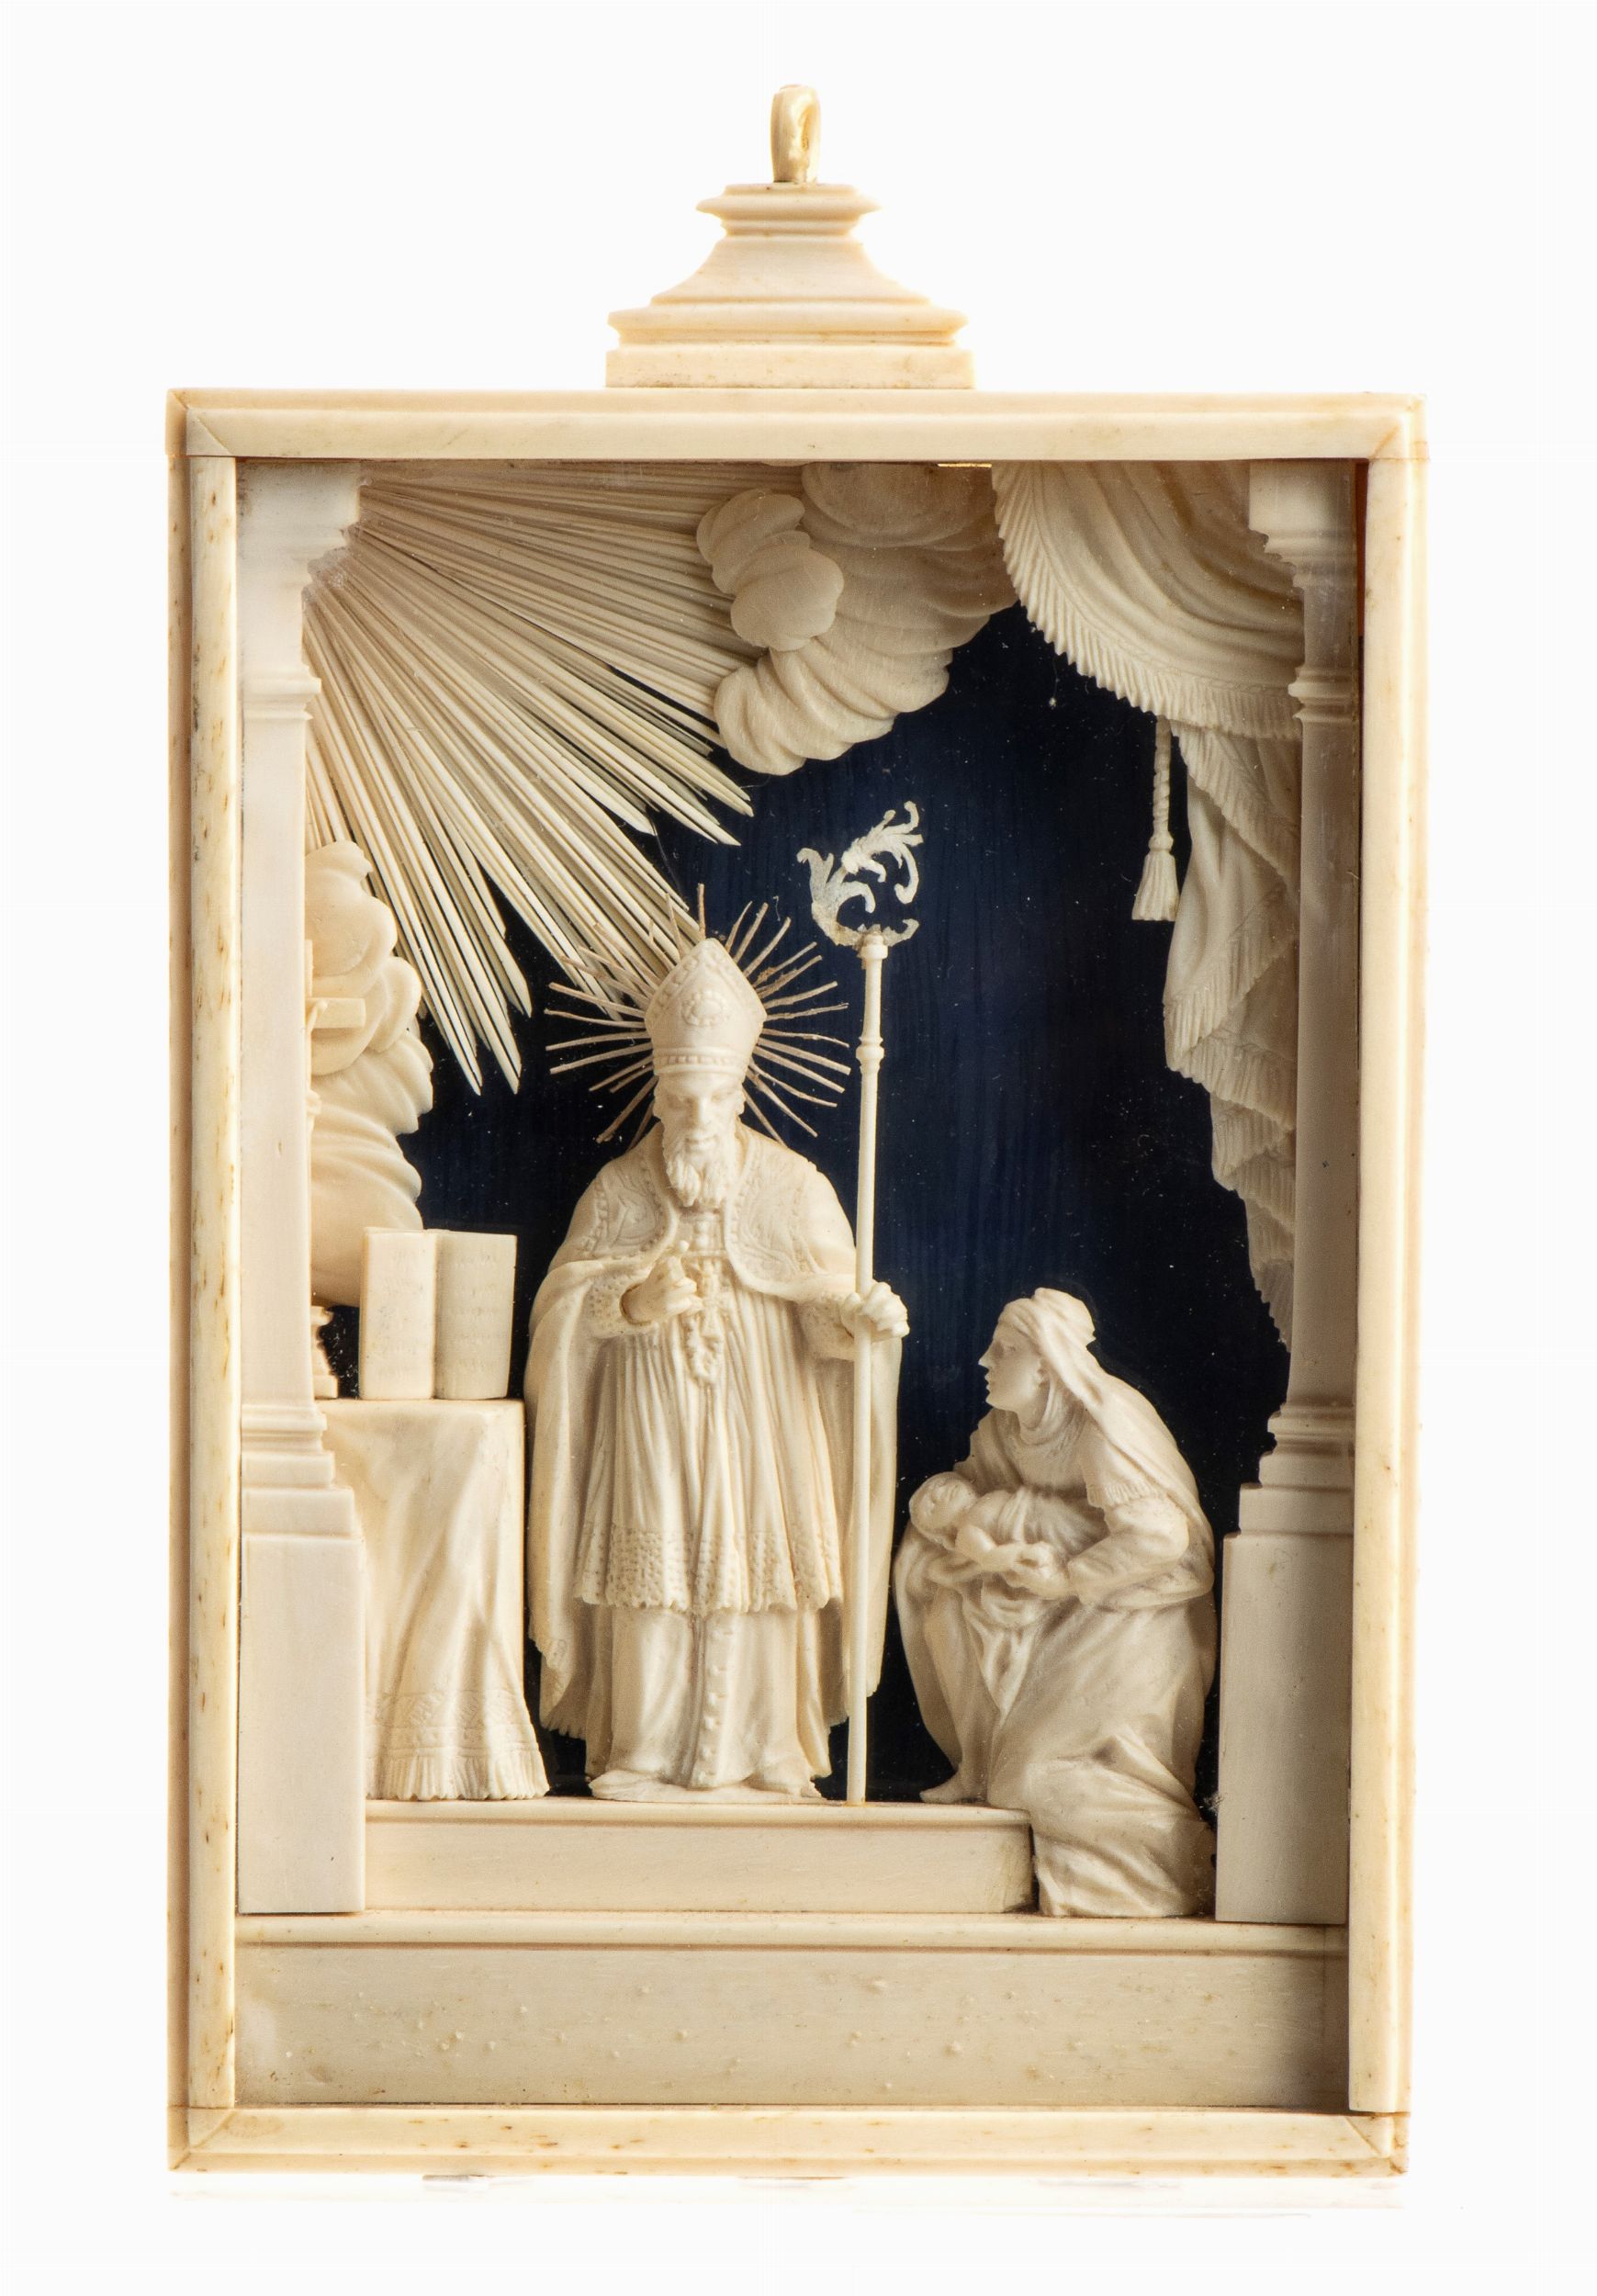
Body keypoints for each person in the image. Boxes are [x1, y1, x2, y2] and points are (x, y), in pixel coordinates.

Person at [525, 936, 906, 1799]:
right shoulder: (619, 1188)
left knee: (760, 1573)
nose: (697, 1116)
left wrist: (859, 1322)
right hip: (647, 1415)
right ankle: (644, 1749)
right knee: (649, 1578)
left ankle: (769, 1750)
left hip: (765, 1413)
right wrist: (630, 1301)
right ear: (658, 1095)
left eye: (715, 1097)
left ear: (740, 1094)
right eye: (680, 1098)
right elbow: (561, 1311)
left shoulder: (794, 1185)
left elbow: (829, 1317)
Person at [894, 1289, 1216, 1915]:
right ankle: (979, 1760)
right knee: (933, 1579)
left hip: (1135, 1615)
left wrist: (1066, 1575)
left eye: (1003, 1350)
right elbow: (970, 1498)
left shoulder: (1100, 1426)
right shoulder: (1004, 1429)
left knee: (1034, 1777)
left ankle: (1164, 1864)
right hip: (1062, 1609)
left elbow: (1158, 1538)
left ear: (1046, 1364)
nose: (985, 1361)